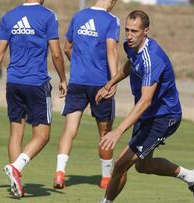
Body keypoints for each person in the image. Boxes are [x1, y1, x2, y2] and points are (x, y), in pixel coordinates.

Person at [95, 10, 194, 203]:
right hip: (148, 115)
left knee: (121, 164)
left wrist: (118, 131)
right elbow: (131, 64)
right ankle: (192, 176)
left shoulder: (152, 58)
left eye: (134, 31)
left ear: (145, 31)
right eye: (127, 30)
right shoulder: (132, 46)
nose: (129, 35)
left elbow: (145, 100)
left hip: (164, 117)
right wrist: (110, 83)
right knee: (143, 166)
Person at [0, 0, 67, 199]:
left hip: (13, 83)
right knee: (43, 135)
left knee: (15, 134)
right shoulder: (47, 16)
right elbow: (56, 53)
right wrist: (63, 79)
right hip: (36, 83)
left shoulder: (10, 16)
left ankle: (15, 181)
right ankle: (16, 169)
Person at [52, 0, 120, 190]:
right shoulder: (111, 20)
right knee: (105, 133)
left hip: (77, 82)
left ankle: (59, 173)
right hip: (100, 85)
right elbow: (112, 49)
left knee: (69, 130)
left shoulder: (79, 16)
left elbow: (67, 48)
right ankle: (106, 179)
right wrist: (113, 81)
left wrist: (80, 65)